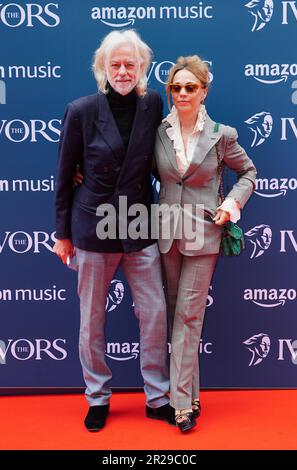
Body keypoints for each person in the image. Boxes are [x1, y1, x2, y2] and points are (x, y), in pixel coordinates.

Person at [54, 30, 175, 432]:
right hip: (92, 227)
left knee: (155, 314)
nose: (123, 71)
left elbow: (165, 158)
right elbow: (62, 174)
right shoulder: (81, 110)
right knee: (91, 319)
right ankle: (97, 396)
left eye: (131, 64)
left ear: (143, 68)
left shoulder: (153, 103)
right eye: (115, 64)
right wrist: (62, 233)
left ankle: (158, 397)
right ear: (102, 68)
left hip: (139, 225)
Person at [154, 56, 257, 432]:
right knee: (174, 316)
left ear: (203, 91)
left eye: (190, 88)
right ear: (170, 91)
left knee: (188, 316)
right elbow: (133, 168)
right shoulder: (157, 131)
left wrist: (230, 204)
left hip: (203, 234)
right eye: (176, 87)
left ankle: (180, 404)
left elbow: (248, 172)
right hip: (165, 236)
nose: (182, 93)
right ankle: (191, 392)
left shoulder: (221, 135)